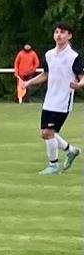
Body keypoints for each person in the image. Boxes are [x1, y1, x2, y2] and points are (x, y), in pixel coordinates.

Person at [22, 21, 82, 174]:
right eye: (56, 32)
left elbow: (82, 77)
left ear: (69, 36)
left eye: (62, 32)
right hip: (49, 100)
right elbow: (46, 75)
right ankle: (71, 150)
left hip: (63, 101)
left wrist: (78, 85)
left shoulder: (73, 56)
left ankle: (53, 165)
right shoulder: (49, 55)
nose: (59, 35)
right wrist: (29, 82)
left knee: (48, 133)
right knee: (46, 133)